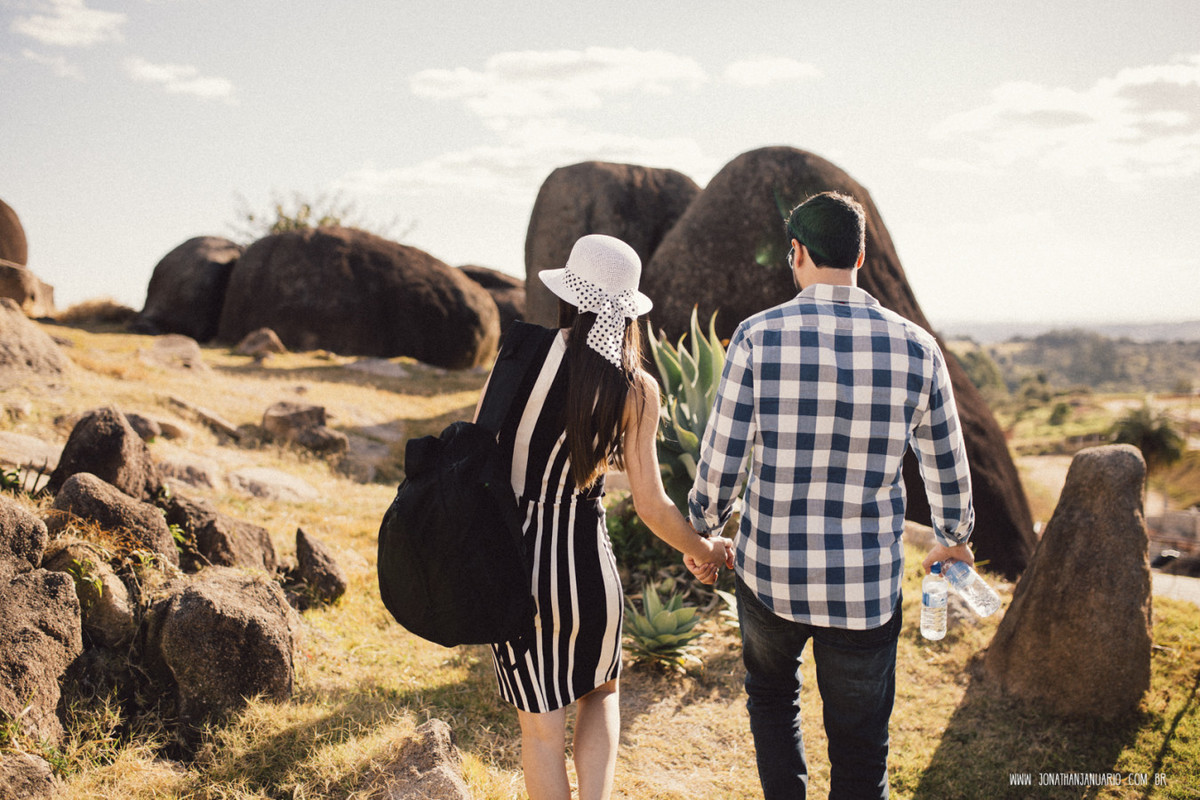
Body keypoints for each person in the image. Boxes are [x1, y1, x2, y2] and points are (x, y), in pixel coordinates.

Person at [684, 191, 975, 799]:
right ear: (862, 255)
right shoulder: (918, 347)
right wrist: (953, 538)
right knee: (862, 746)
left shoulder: (757, 338)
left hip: (771, 577)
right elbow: (946, 463)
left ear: (796, 253)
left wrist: (706, 530)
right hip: (865, 587)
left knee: (771, 698)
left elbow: (722, 458)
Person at [478, 233, 733, 800]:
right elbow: (651, 505)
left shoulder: (518, 356)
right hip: (584, 562)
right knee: (602, 690)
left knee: (542, 731)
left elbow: (477, 452)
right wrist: (705, 548)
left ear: (568, 294)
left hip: (512, 564)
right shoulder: (635, 388)